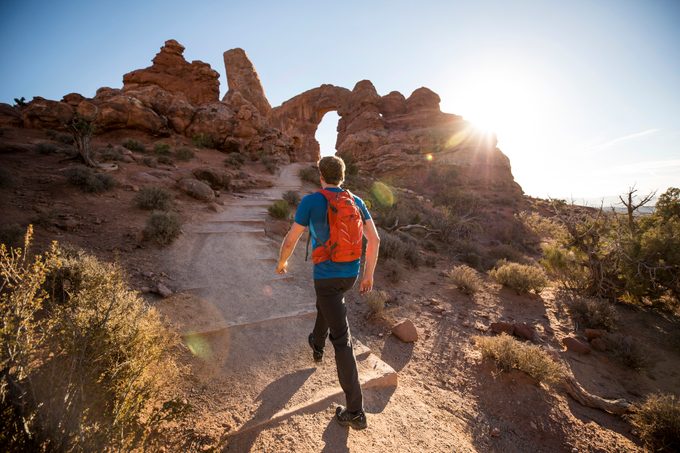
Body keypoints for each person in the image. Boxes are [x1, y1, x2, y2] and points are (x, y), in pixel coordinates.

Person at [275, 155, 380, 430]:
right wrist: (368, 274)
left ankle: (356, 411)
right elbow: (375, 239)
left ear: (321, 175)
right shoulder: (355, 201)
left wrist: (282, 262)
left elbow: (292, 238)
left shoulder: (311, 201)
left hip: (326, 276)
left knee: (343, 340)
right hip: (350, 275)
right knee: (328, 305)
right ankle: (316, 343)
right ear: (342, 176)